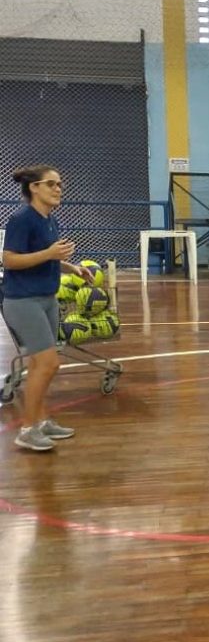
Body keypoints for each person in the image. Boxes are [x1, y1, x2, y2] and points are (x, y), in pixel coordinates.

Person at [2, 165, 92, 452]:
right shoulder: (21, 220)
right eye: (51, 184)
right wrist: (51, 254)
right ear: (34, 188)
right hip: (23, 301)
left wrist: (71, 267)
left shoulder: (49, 220)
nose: (58, 189)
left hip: (46, 298)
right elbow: (10, 261)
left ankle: (41, 421)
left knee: (40, 365)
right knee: (50, 363)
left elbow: (45, 258)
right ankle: (27, 430)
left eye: (60, 184)